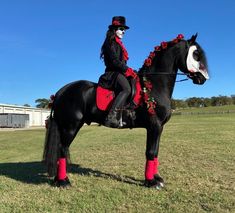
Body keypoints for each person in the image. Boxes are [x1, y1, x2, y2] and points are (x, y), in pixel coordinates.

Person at [99, 16, 137, 127]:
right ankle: (111, 116)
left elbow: (122, 63)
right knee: (126, 89)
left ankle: (127, 113)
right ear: (114, 30)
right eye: (121, 29)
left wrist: (131, 71)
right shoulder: (110, 43)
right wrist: (127, 69)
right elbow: (115, 62)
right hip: (111, 73)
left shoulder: (119, 44)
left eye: (124, 29)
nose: (123, 31)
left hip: (119, 72)